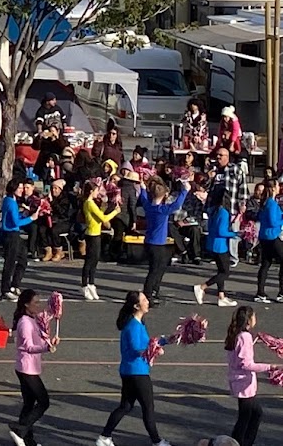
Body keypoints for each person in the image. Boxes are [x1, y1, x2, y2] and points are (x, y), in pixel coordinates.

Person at [95, 291, 171, 446]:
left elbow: (147, 343)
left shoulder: (139, 324)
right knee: (148, 408)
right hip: (137, 373)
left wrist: (167, 340)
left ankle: (104, 437)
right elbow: (138, 348)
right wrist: (156, 350)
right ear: (137, 306)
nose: (147, 302)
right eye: (144, 300)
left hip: (129, 371)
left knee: (126, 406)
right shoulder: (133, 327)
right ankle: (157, 441)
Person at [11, 289, 58, 446]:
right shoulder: (24, 322)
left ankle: (27, 439)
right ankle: (20, 430)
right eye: (35, 303)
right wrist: (46, 348)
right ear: (26, 304)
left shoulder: (31, 319)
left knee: (29, 404)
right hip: (27, 368)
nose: (38, 305)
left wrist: (49, 343)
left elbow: (37, 341)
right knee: (43, 401)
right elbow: (28, 347)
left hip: (28, 366)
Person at [224, 305, 276, 446]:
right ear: (248, 320)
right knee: (248, 417)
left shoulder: (236, 334)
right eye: (254, 316)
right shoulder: (245, 337)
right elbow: (246, 364)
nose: (255, 319)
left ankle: (240, 442)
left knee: (252, 414)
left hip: (238, 382)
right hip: (244, 384)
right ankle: (241, 443)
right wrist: (269, 367)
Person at [140, 174, 189, 306]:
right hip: (158, 244)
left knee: (158, 267)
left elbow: (143, 197)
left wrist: (143, 187)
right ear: (163, 196)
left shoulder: (149, 207)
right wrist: (185, 190)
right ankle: (148, 295)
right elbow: (177, 204)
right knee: (155, 270)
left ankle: (154, 290)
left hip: (149, 242)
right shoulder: (163, 210)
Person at [194, 191, 239, 307]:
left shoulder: (213, 210)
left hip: (212, 243)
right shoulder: (223, 212)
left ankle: (221, 296)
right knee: (225, 272)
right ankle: (202, 286)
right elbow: (222, 231)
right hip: (220, 245)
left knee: (221, 270)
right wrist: (234, 234)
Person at [81, 181, 120, 301]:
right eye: (97, 190)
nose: (98, 192)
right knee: (89, 260)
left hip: (96, 233)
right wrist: (115, 212)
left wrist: (103, 207)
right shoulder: (89, 203)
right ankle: (84, 285)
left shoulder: (92, 203)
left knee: (95, 260)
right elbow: (103, 218)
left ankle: (91, 284)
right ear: (91, 191)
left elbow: (98, 216)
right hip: (92, 234)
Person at [2, 179, 39, 300]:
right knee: (10, 262)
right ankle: (5, 289)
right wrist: (31, 218)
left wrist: (23, 214)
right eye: (19, 188)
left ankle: (15, 284)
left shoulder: (11, 201)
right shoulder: (10, 202)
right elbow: (15, 222)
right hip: (10, 234)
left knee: (22, 259)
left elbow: (15, 217)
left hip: (14, 234)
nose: (21, 190)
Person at [254, 178, 283, 302]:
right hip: (272, 236)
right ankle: (282, 292)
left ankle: (260, 292)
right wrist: (281, 220)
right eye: (277, 186)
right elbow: (273, 221)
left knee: (266, 263)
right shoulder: (271, 203)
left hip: (264, 236)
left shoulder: (265, 202)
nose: (279, 188)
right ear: (273, 188)